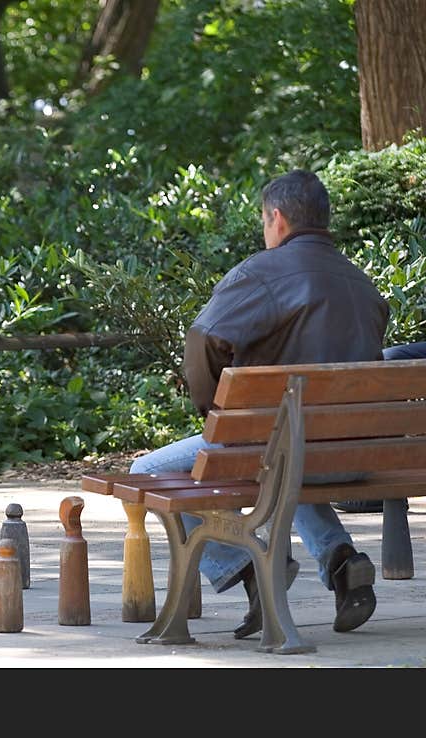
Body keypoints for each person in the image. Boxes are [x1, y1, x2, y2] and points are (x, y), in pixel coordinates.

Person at [130, 169, 389, 638]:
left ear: (278, 219)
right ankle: (343, 562)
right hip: (349, 458)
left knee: (146, 470)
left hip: (277, 450)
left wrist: (216, 419)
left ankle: (251, 570)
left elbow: (203, 341)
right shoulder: (361, 284)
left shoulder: (262, 273)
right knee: (287, 452)